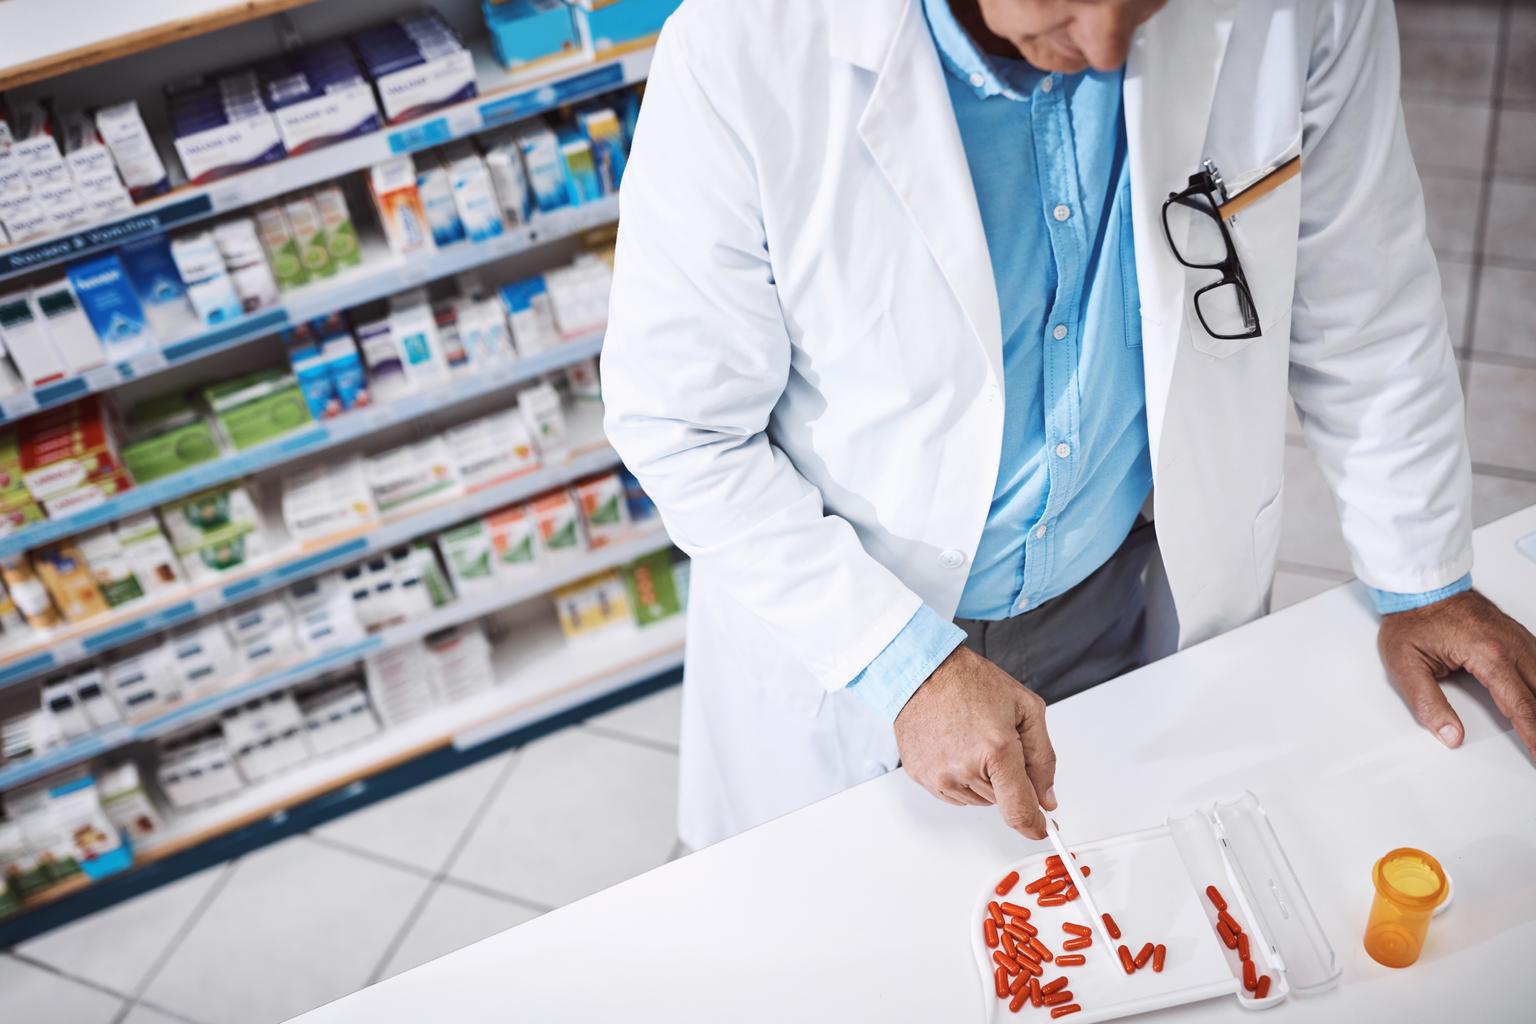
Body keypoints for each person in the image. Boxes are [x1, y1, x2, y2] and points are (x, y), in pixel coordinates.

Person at [600, 0, 1536, 849]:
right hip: (849, 630)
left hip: (1113, 603)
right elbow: (682, 426)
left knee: (1112, 914)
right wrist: (901, 663)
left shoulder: (1297, 11)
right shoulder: (747, 44)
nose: (1107, 50)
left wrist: (1422, 579)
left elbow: (1364, 293)